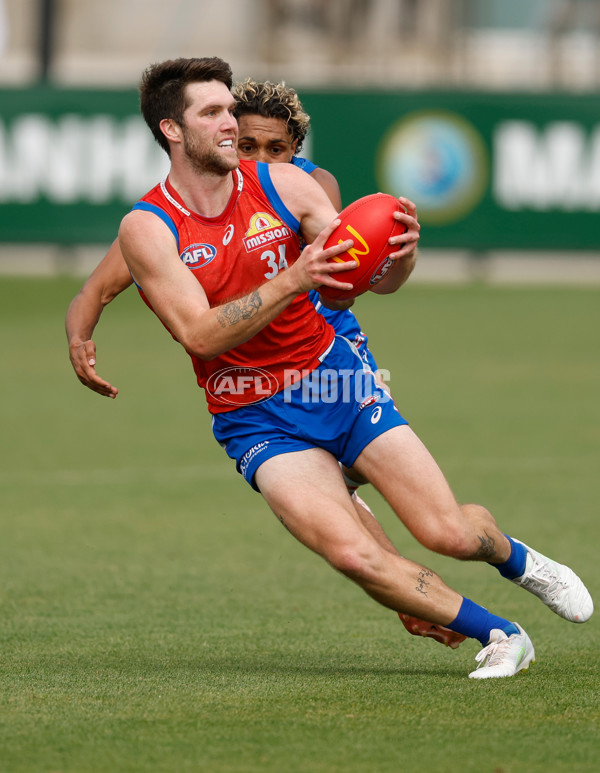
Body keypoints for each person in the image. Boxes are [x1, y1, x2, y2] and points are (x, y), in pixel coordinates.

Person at [79, 57, 594, 679]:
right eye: (211, 113)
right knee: (352, 551)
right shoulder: (147, 226)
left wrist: (399, 256)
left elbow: (363, 278)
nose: (227, 124)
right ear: (171, 130)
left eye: (227, 109)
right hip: (252, 414)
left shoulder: (288, 186)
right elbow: (198, 334)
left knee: (448, 535)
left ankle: (520, 561)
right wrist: (292, 278)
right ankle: (503, 635)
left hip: (334, 381)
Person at [66, 76, 464, 649]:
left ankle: (423, 578)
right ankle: (409, 588)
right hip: (254, 371)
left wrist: (395, 259)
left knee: (363, 485)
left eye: (273, 150)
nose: (253, 158)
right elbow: (99, 286)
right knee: (327, 491)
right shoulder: (169, 218)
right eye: (244, 143)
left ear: (294, 153)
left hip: (331, 347)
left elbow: (353, 283)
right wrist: (80, 334)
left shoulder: (305, 188)